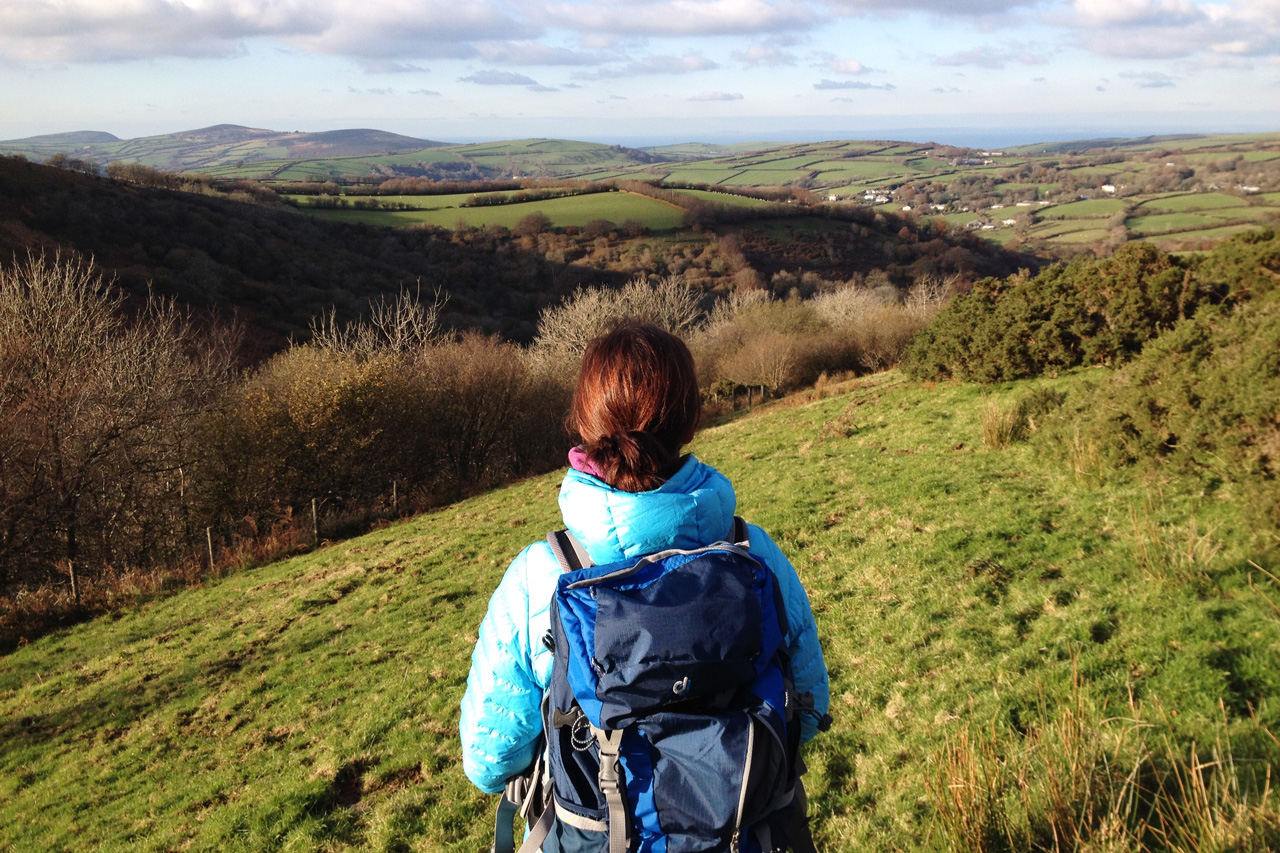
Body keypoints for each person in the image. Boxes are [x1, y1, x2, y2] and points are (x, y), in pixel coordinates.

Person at [459, 322, 831, 830]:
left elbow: (490, 757)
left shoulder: (540, 575)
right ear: (691, 423)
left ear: (585, 425)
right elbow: (808, 712)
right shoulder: (754, 553)